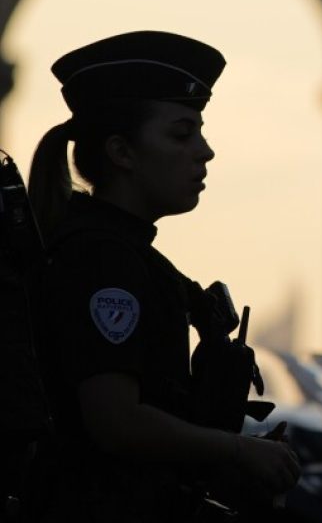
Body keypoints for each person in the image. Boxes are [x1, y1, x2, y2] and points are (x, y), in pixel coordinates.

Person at [26, 30, 301, 522]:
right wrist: (237, 452)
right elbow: (115, 421)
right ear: (122, 153)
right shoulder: (103, 261)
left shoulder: (119, 254)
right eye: (182, 133)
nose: (205, 151)